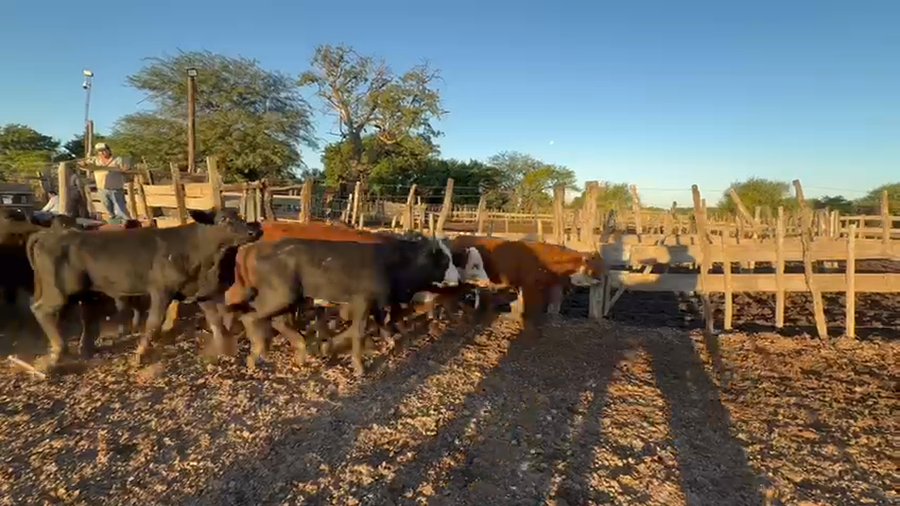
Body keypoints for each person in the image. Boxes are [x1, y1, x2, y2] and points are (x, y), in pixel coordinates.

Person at [78, 142, 131, 222]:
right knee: (107, 206)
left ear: (108, 150)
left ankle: (128, 222)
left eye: (104, 150)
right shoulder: (95, 160)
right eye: (100, 151)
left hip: (116, 188)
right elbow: (83, 165)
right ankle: (114, 220)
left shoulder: (118, 159)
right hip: (102, 188)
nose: (102, 153)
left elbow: (126, 167)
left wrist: (125, 169)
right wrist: (82, 164)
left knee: (120, 207)